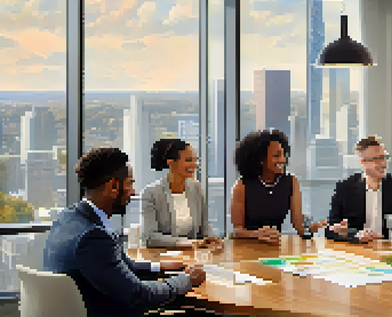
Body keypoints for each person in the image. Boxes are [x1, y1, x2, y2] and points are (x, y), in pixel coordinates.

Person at [43, 147, 206, 317]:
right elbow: (138, 295)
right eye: (130, 183)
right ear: (113, 186)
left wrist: (160, 267)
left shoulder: (68, 218)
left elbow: (120, 266)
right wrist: (186, 280)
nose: (133, 192)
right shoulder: (92, 238)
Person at [230, 129, 327, 244]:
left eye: (283, 155)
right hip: (246, 247)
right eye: (276, 155)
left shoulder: (291, 182)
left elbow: (299, 226)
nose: (282, 160)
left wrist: (310, 228)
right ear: (261, 160)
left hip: (275, 247)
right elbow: (236, 231)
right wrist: (256, 234)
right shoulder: (241, 186)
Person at [326, 136, 392, 243]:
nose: (383, 164)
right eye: (377, 159)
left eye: (384, 158)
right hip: (357, 250)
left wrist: (385, 239)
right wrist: (355, 235)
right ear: (363, 162)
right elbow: (330, 230)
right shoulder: (345, 188)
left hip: (389, 249)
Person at [141, 139, 222, 249]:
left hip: (194, 255)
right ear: (170, 162)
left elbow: (205, 225)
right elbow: (150, 237)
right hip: (164, 257)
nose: (194, 165)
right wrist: (187, 243)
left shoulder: (196, 188)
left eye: (195, 160)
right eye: (188, 160)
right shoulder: (151, 193)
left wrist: (212, 239)